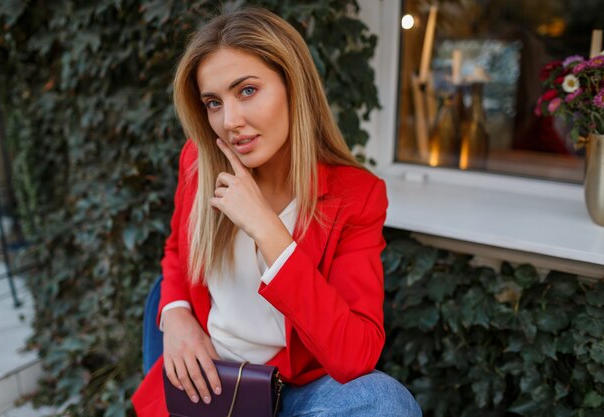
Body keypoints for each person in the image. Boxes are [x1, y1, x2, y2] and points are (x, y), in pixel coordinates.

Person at [132, 7, 422, 417]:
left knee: (386, 401)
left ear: (293, 86)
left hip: (296, 394)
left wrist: (269, 232)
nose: (230, 121)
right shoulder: (199, 162)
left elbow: (356, 354)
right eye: (214, 102)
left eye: (247, 90)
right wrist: (175, 315)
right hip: (207, 384)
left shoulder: (355, 196)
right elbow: (177, 251)